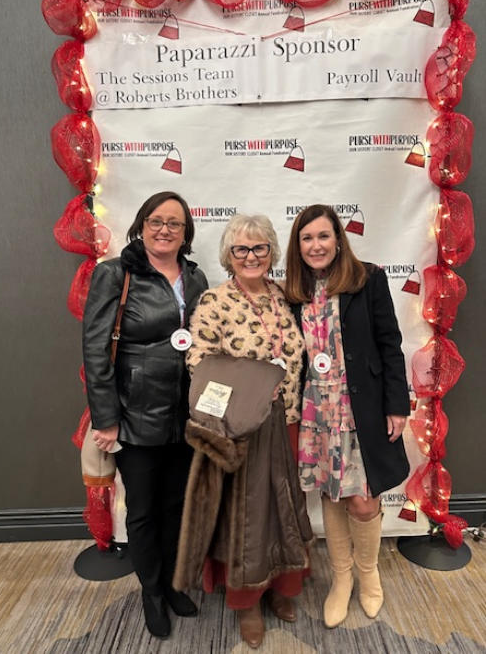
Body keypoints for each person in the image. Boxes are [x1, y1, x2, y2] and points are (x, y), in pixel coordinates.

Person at [174, 214, 313, 649]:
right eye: (241, 249)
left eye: (259, 248)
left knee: (284, 509)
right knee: (249, 519)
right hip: (243, 426)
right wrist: (247, 392)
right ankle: (247, 602)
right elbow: (200, 363)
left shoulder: (284, 296)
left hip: (287, 421)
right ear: (228, 255)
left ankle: (282, 587)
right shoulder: (214, 301)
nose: (251, 256)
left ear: (271, 252)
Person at [82, 191, 208, 638]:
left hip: (185, 414)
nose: (164, 230)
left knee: (176, 506)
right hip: (134, 413)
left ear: (186, 232)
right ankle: (151, 592)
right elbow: (95, 349)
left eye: (175, 223)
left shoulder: (195, 277)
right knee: (142, 510)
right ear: (141, 225)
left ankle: (173, 584)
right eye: (156, 221)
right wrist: (105, 418)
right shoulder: (115, 273)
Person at [285, 204, 410, 628]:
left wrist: (397, 404)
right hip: (315, 409)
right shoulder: (293, 291)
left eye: (323, 236)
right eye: (307, 238)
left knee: (362, 500)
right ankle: (341, 579)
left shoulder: (368, 279)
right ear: (298, 246)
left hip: (361, 407)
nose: (315, 245)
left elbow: (390, 343)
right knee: (331, 493)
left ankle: (368, 574)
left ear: (338, 239)